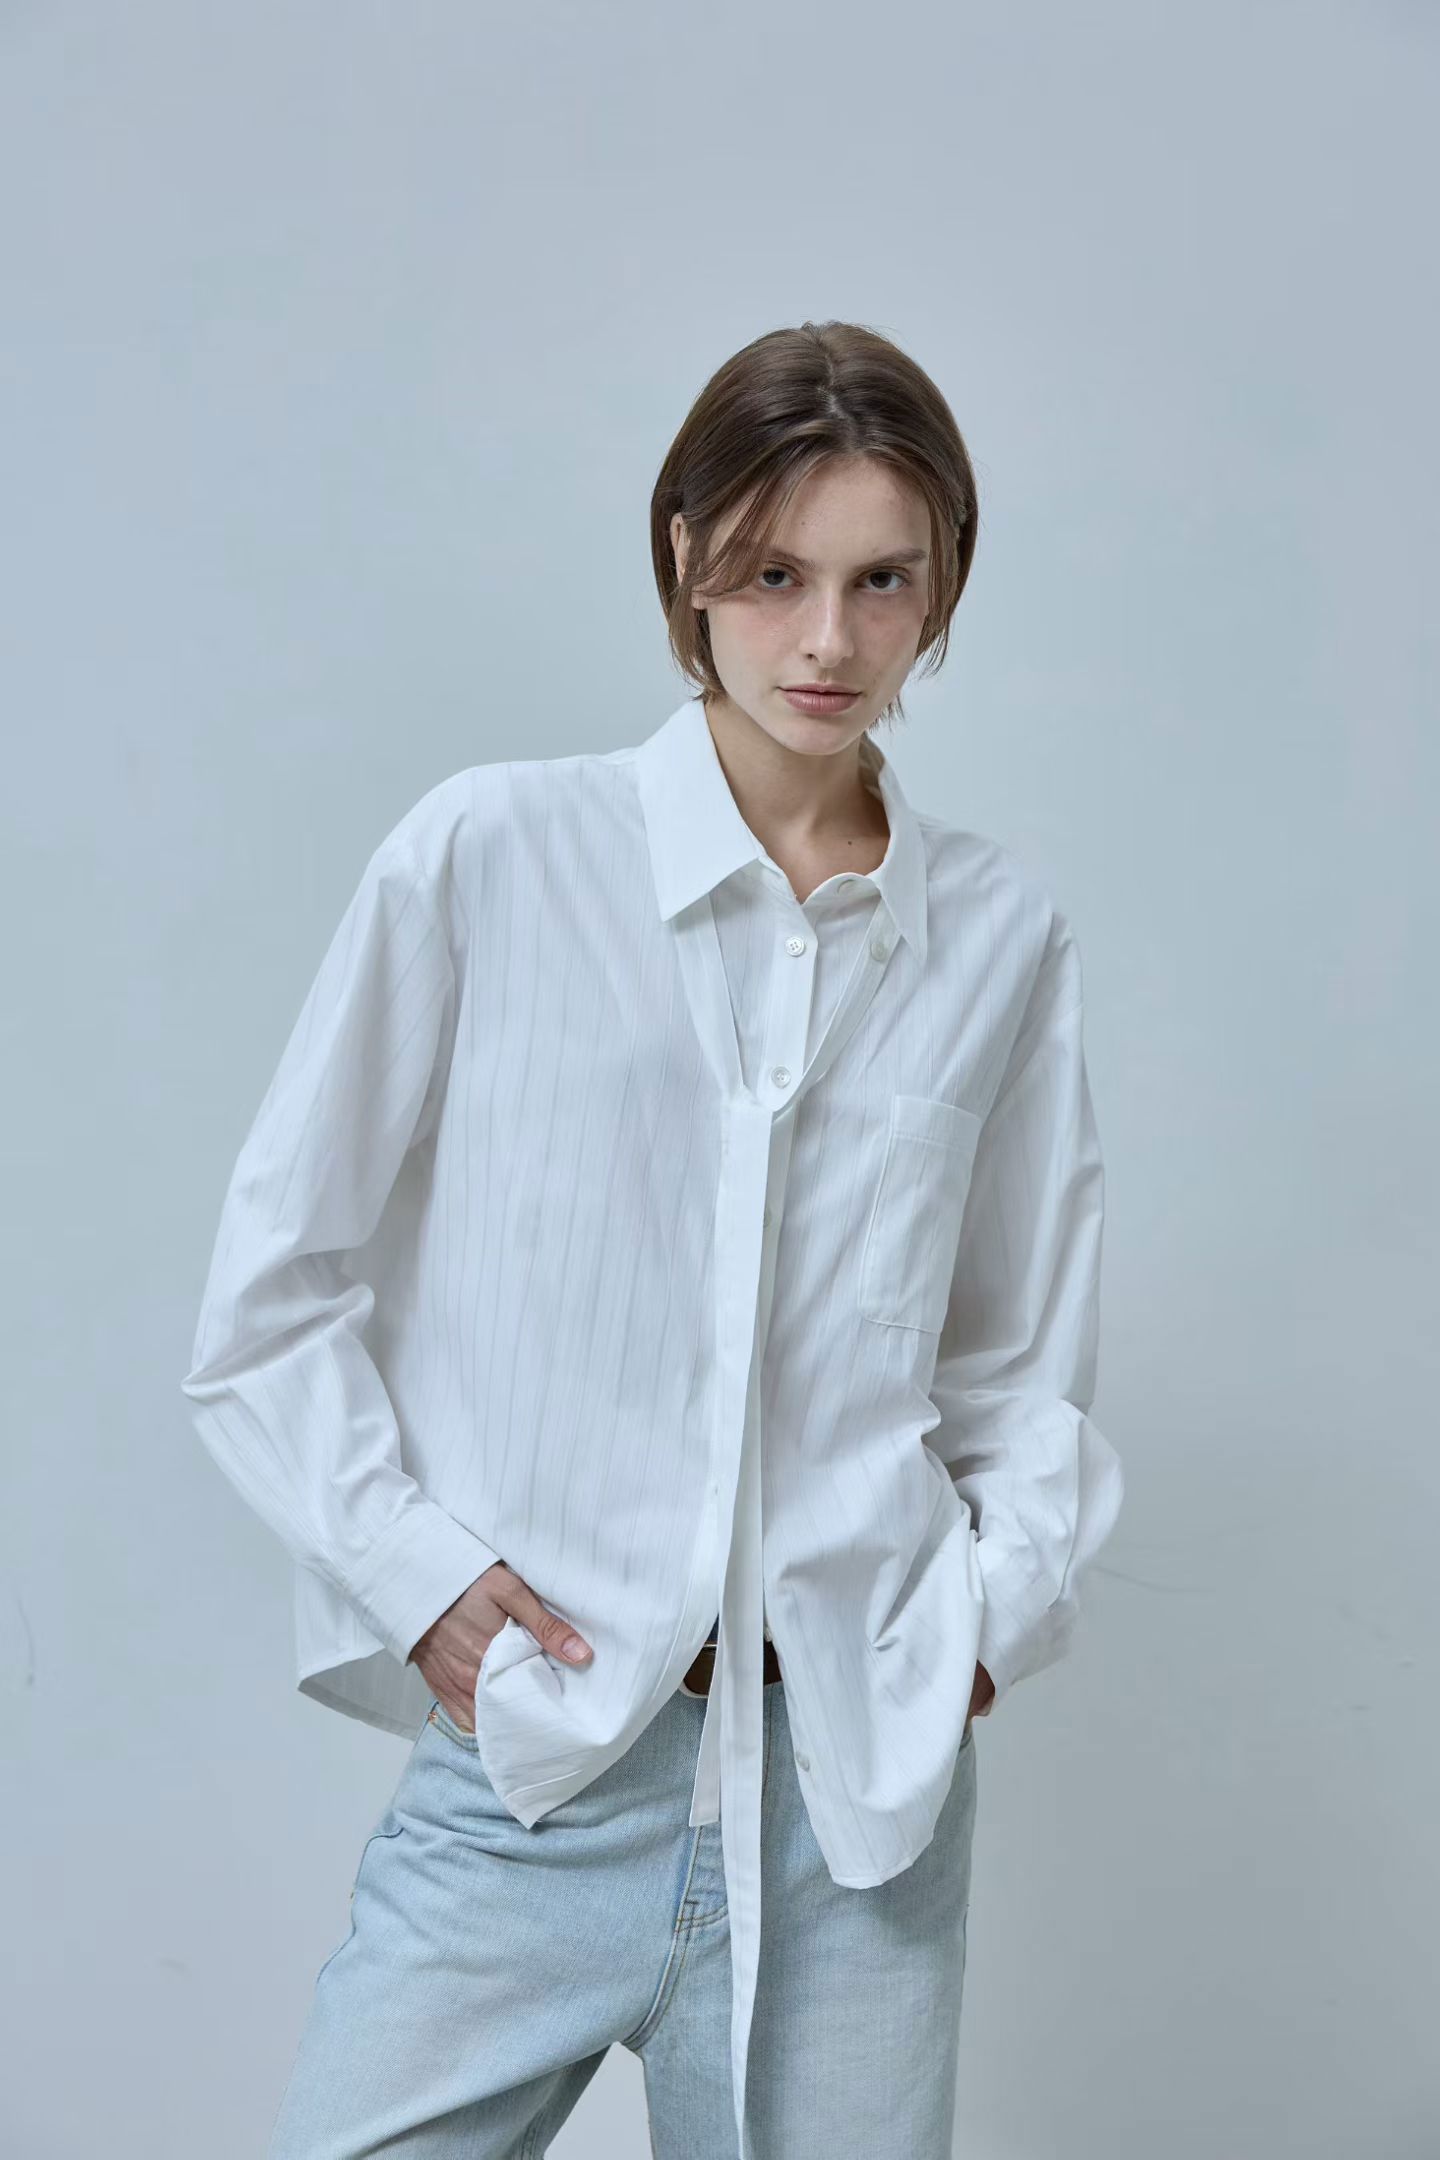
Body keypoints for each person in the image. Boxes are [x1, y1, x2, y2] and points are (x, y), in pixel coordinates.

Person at [181, 318, 1124, 2160]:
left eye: (882, 581)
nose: (828, 639)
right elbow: (271, 1298)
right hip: (541, 1777)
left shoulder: (1000, 934)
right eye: (774, 576)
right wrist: (418, 1577)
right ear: (687, 557)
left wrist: (979, 1626)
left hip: (856, 1814)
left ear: (942, 589)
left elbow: (1018, 1367)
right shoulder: (489, 857)